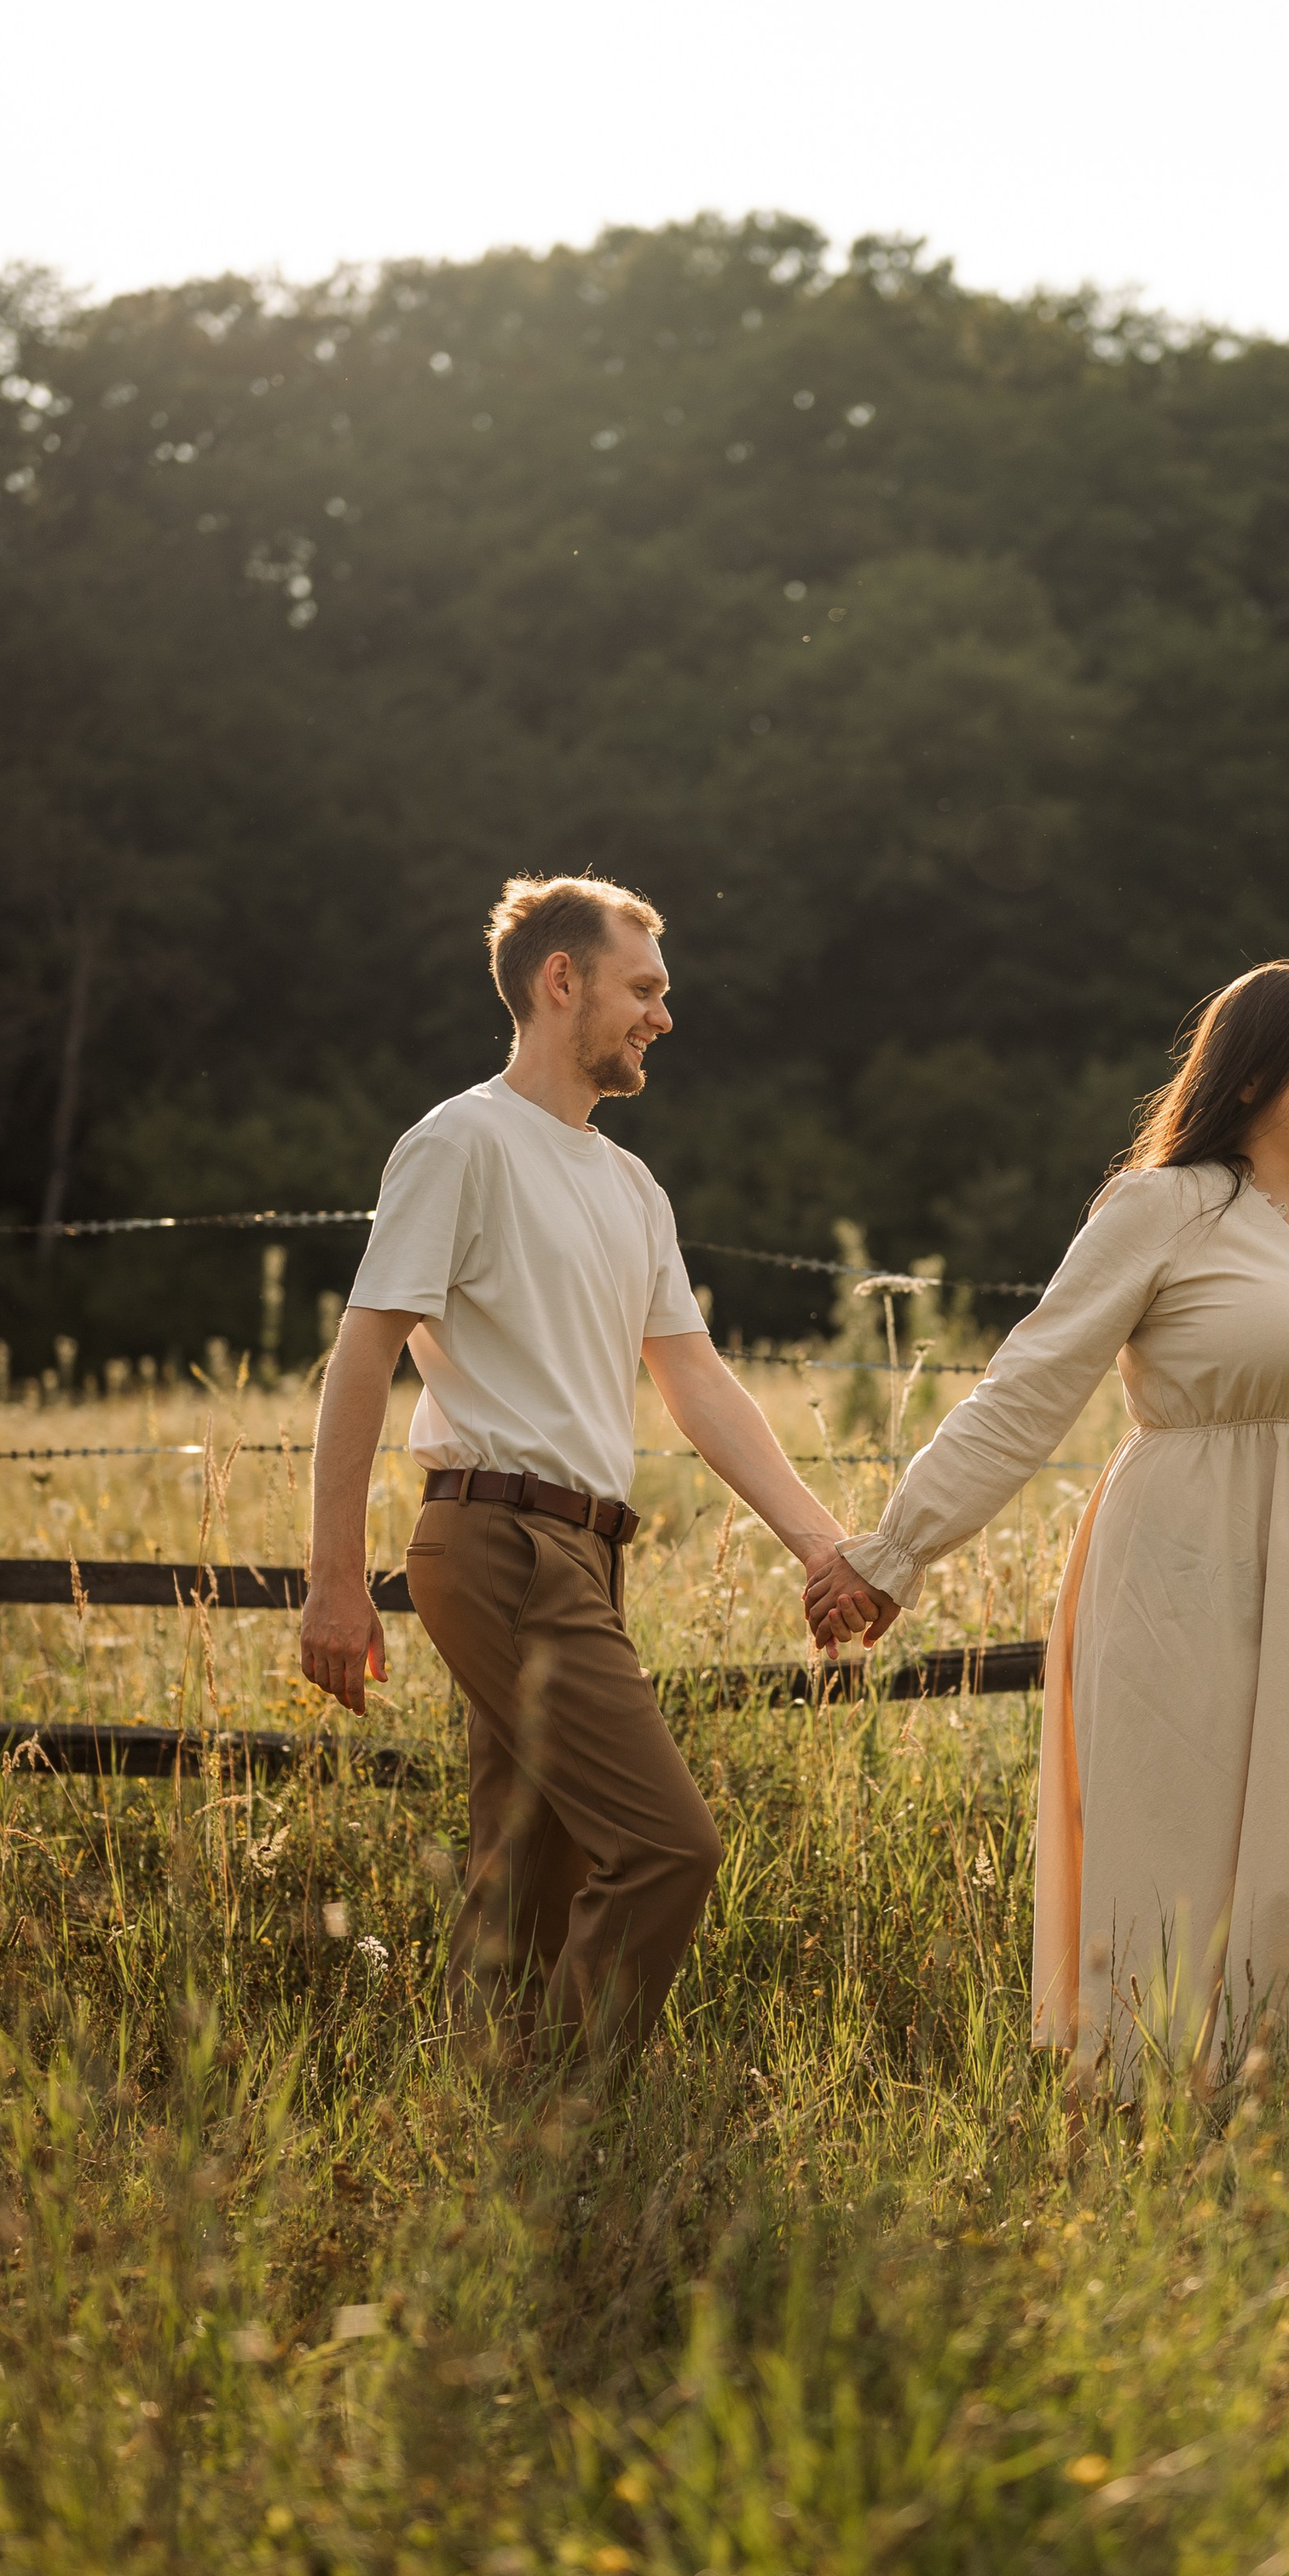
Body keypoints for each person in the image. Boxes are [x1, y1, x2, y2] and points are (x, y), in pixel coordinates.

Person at [804, 962, 1289, 2092]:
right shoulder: (1161, 1209)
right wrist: (895, 1551)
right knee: (1185, 1851)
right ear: (1252, 1073)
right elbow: (1029, 1388)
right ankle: (1168, 2114)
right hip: (1182, 1578)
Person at [301, 873, 852, 2065]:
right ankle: (567, 2115)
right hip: (498, 1539)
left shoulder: (630, 1185)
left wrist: (821, 1545)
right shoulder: (460, 1142)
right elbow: (364, 1354)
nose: (663, 1015)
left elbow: (696, 1382)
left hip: (584, 1552)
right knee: (667, 1847)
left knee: (525, 1867)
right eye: (642, 989)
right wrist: (333, 1579)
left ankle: (491, 2112)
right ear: (563, 981)